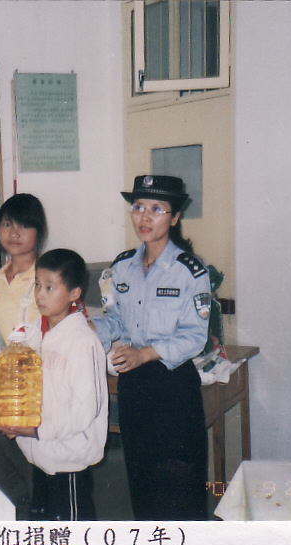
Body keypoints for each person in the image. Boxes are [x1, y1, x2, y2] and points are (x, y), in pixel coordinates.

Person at [91, 175, 211, 521]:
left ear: (174, 218)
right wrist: (87, 328)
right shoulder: (121, 267)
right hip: (134, 386)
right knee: (142, 481)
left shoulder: (190, 271)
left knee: (180, 486)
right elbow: (115, 321)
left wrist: (144, 353)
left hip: (173, 387)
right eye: (138, 207)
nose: (144, 217)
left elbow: (194, 336)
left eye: (157, 209)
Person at [0, 248, 108, 521]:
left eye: (50, 287)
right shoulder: (32, 333)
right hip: (39, 455)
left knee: (72, 531)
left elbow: (83, 412)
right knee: (44, 529)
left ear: (74, 293)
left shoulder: (82, 341)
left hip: (69, 461)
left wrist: (35, 429)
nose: (40, 294)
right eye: (37, 284)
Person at [0, 193, 47, 520]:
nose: (14, 233)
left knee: (33, 475)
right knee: (1, 475)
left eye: (23, 226)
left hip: (29, 396)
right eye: (7, 224)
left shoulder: (46, 278)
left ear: (39, 232)